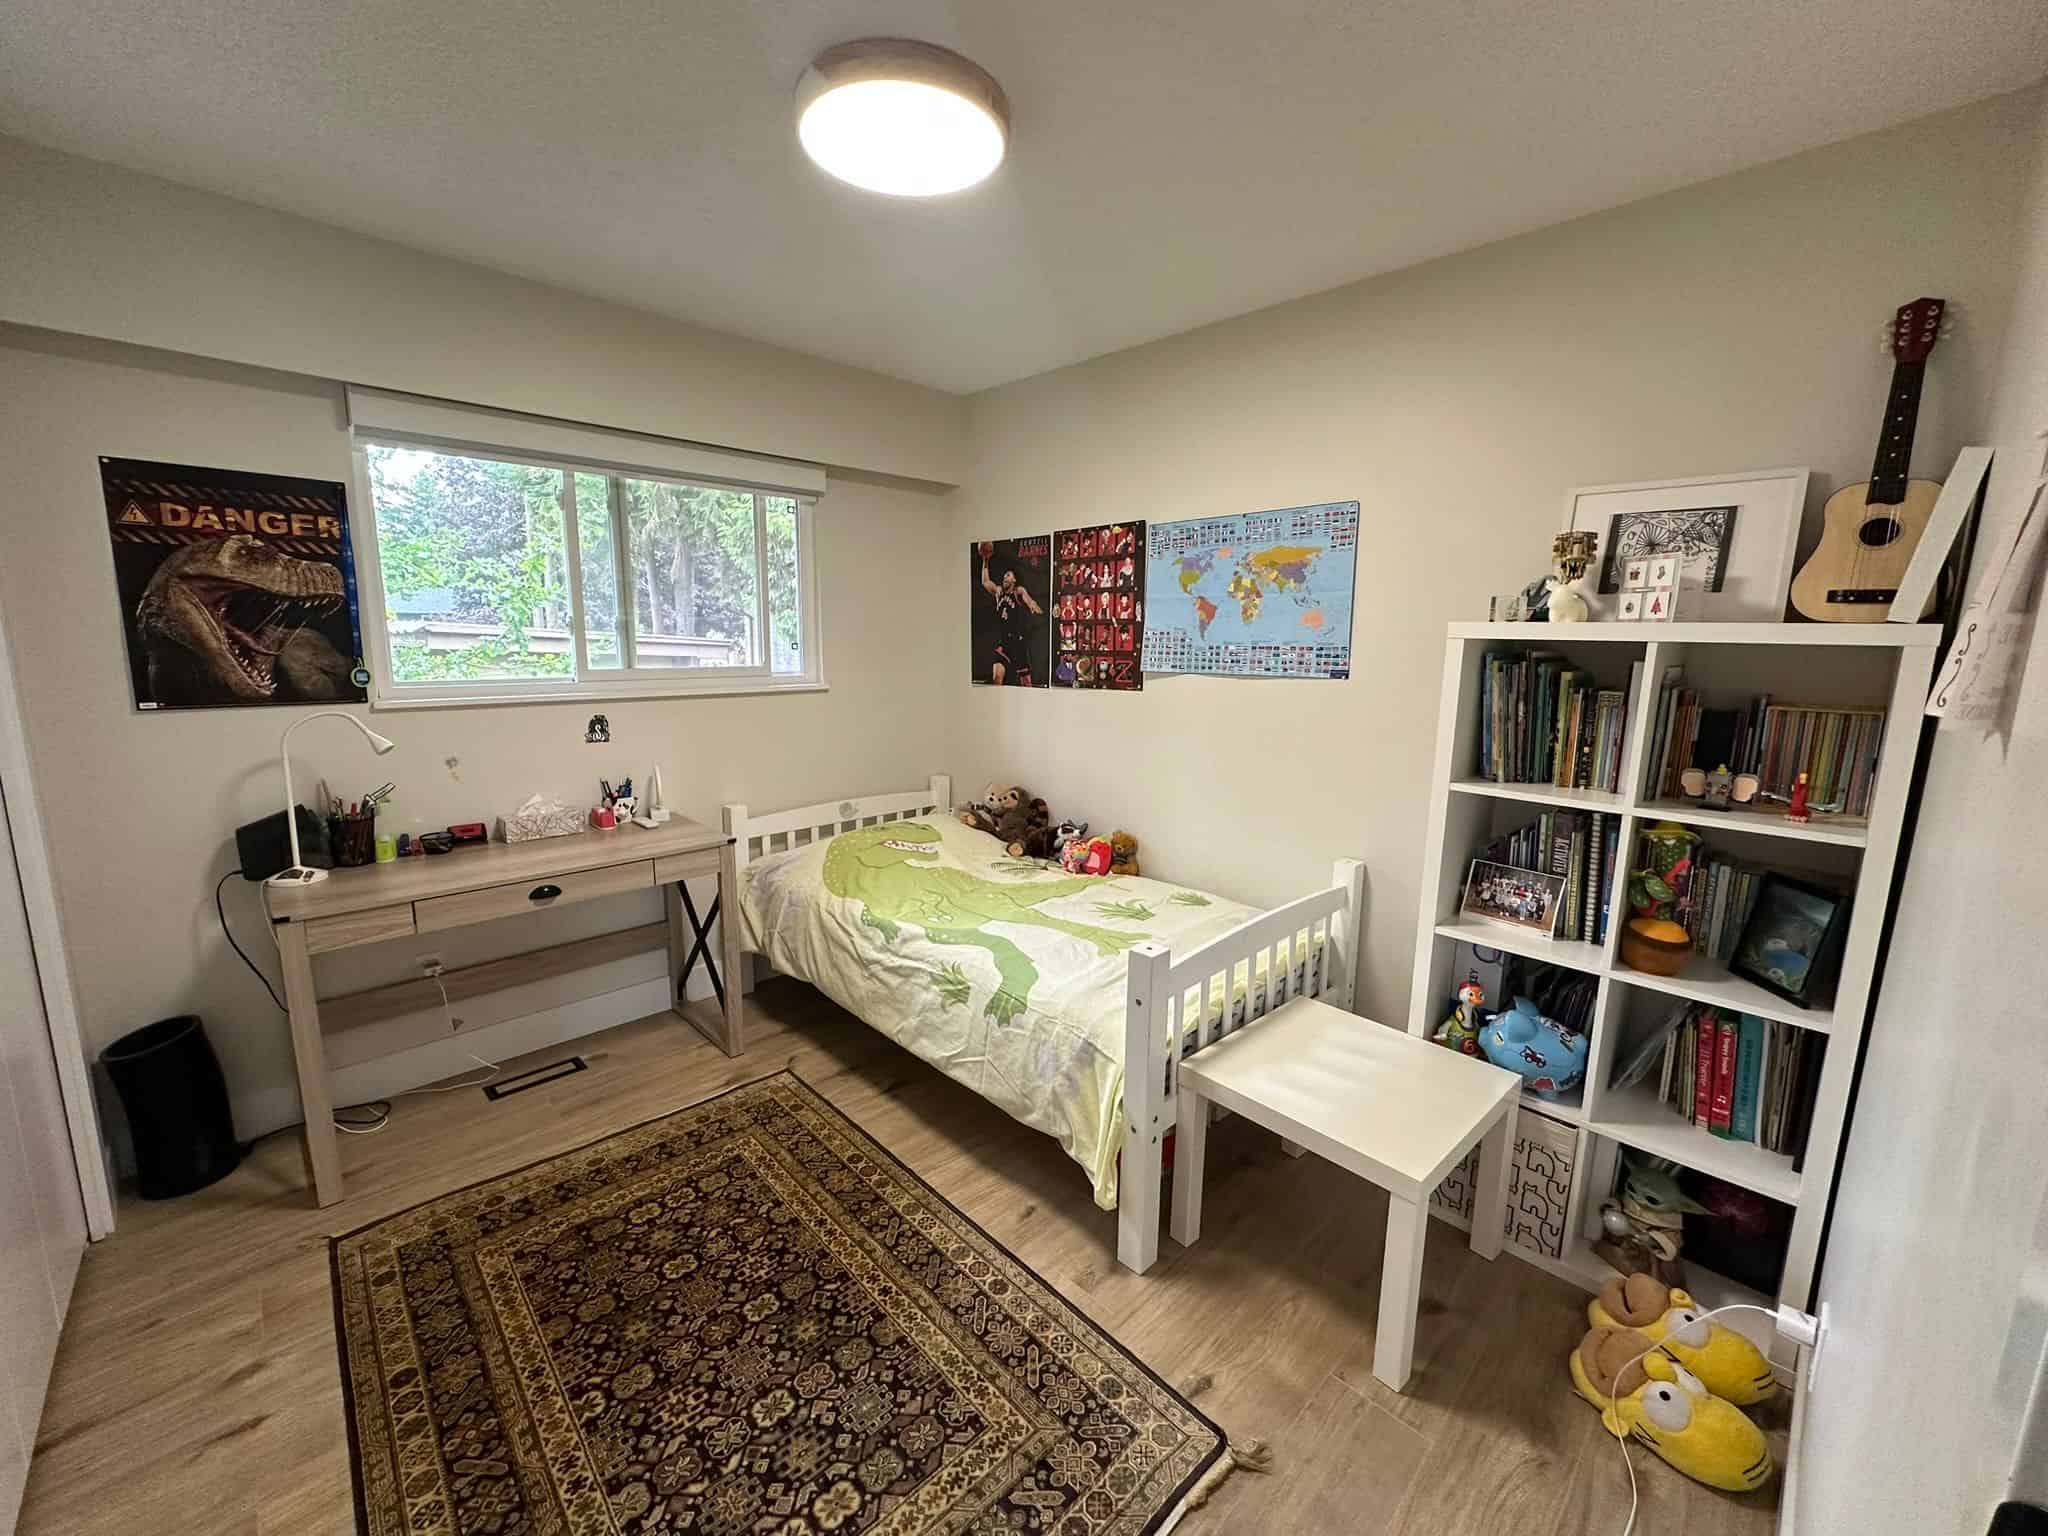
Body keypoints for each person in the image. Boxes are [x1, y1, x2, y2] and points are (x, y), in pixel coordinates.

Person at [981, 557, 1043, 685]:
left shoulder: (1017, 591)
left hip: (1017, 644)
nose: (1005, 577)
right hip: (1003, 644)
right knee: (997, 678)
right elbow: (985, 582)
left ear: (1014, 580)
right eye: (1004, 575)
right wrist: (985, 560)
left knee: (1026, 684)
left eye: (1008, 575)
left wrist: (1032, 604)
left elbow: (1027, 598)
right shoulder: (998, 592)